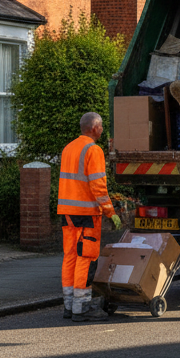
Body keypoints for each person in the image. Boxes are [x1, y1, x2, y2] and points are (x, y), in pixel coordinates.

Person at [59, 112, 121, 322]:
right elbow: (98, 186)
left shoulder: (69, 148)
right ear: (94, 128)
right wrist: (110, 212)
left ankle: (69, 306)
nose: (102, 129)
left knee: (70, 257)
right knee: (85, 258)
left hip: (67, 212)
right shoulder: (93, 150)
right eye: (101, 126)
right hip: (86, 214)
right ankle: (82, 307)